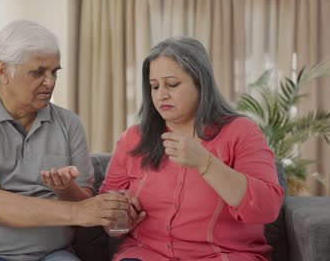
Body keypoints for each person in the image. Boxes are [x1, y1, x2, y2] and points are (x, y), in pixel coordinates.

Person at [0, 20, 129, 261]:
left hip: (51, 254)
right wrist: (77, 210)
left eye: (54, 72)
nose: (50, 82)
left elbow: (85, 205)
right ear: (4, 71)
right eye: (38, 72)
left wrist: (67, 189)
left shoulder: (69, 124)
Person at [99, 37, 284, 261]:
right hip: (147, 253)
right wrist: (120, 216)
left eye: (172, 84)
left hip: (223, 255)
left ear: (200, 82)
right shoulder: (134, 138)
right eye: (154, 86)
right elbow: (106, 210)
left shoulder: (241, 132)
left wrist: (206, 163)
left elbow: (267, 208)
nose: (161, 95)